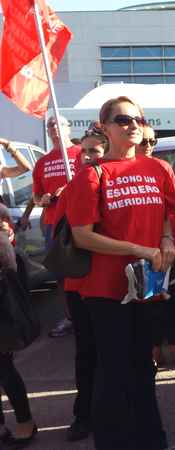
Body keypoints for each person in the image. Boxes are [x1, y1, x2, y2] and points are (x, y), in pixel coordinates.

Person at [67, 96, 175, 450]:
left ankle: (151, 439)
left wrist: (164, 238)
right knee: (113, 371)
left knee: (144, 368)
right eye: (122, 119)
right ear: (104, 128)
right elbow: (82, 235)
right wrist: (137, 249)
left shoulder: (158, 169)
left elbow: (167, 211)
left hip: (147, 287)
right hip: (105, 290)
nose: (133, 125)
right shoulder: (92, 174)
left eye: (138, 119)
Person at [57, 124, 107, 443]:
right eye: (83, 150)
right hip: (78, 283)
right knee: (86, 351)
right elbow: (63, 235)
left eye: (94, 150)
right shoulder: (74, 185)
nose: (86, 156)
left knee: (115, 350)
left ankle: (113, 409)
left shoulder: (114, 180)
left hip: (110, 281)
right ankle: (84, 414)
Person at [136, 124, 175, 369]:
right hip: (136, 248)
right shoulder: (118, 169)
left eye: (153, 141)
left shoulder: (162, 168)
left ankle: (174, 344)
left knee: (170, 301)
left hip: (168, 247)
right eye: (144, 141)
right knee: (145, 302)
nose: (149, 146)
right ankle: (152, 348)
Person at [0, 144, 35, 449]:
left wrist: (8, 146)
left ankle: (25, 421)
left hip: (2, 280)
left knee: (3, 362)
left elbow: (25, 169)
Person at [35, 117, 82, 339]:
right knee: (61, 274)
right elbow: (36, 196)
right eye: (50, 126)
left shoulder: (81, 153)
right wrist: (42, 198)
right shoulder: (42, 162)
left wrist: (71, 188)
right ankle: (71, 316)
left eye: (59, 125)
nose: (54, 129)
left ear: (68, 128)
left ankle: (87, 312)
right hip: (53, 223)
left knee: (85, 269)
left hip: (80, 220)